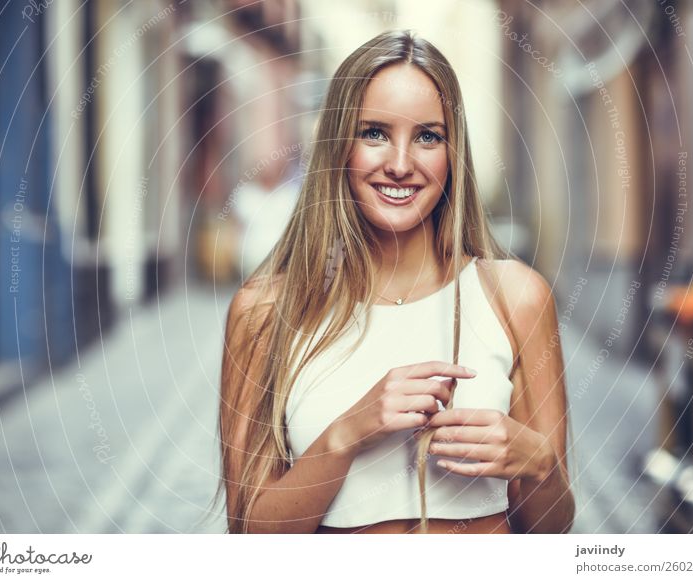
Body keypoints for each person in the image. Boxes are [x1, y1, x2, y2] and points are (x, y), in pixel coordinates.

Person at [217, 29, 574, 534]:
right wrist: (347, 433)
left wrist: (540, 463)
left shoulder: (517, 298)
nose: (401, 165)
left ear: (453, 155)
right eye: (375, 133)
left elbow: (552, 530)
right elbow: (251, 535)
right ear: (339, 145)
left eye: (428, 136)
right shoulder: (265, 312)